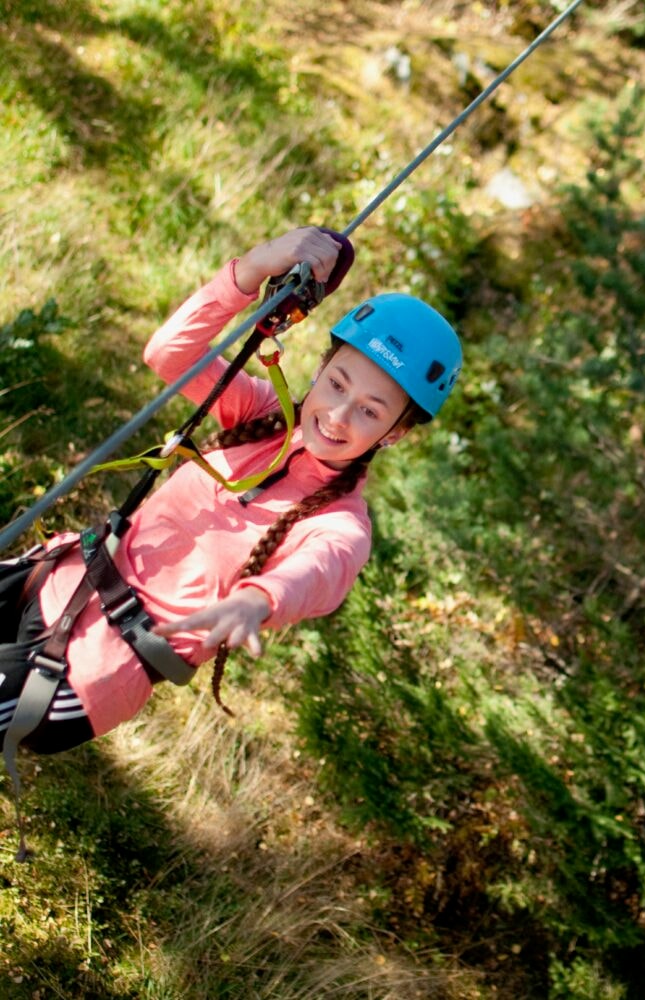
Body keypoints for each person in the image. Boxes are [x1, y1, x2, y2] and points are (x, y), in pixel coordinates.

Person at [0, 226, 462, 757]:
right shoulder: (263, 415)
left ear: (396, 433)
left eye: (370, 411)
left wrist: (255, 601)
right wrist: (258, 266)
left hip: (89, 668)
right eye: (337, 385)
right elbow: (169, 354)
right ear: (320, 367)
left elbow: (315, 573)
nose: (337, 416)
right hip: (53, 579)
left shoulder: (339, 525)